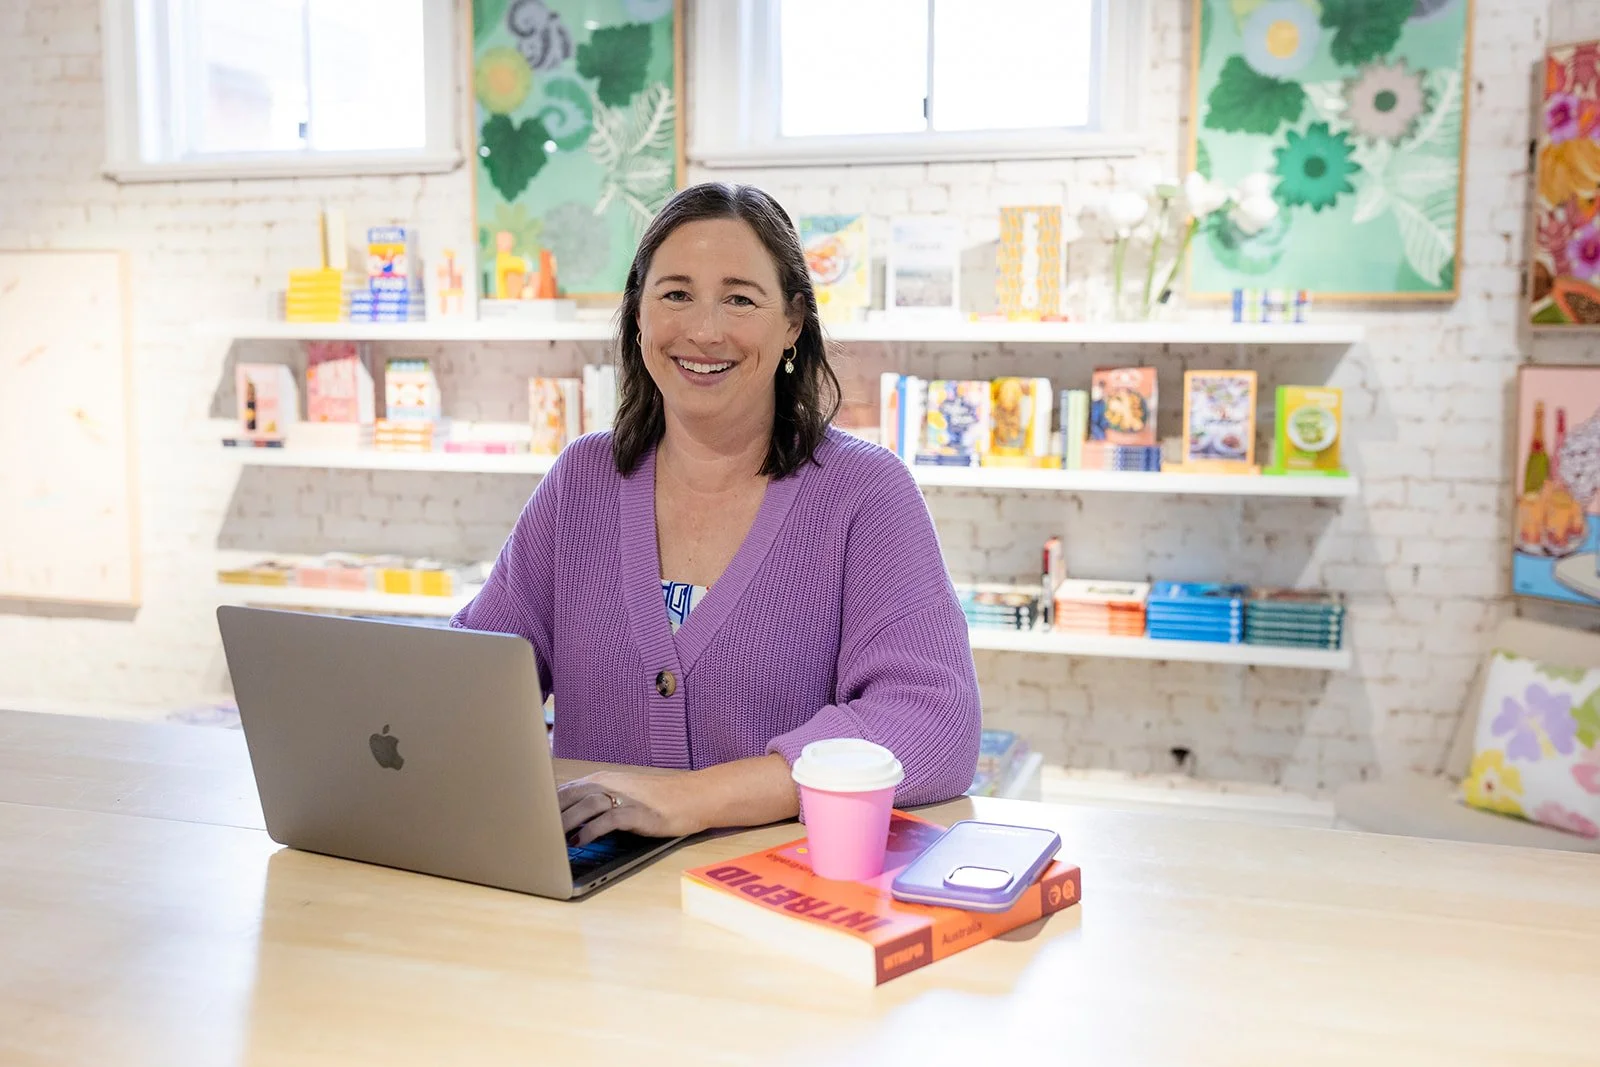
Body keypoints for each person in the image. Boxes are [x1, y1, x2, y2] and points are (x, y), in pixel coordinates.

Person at [452, 182, 980, 845]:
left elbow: (934, 722)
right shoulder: (579, 483)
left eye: (739, 297)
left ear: (792, 321)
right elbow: (477, 678)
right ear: (638, 313)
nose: (704, 330)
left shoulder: (866, 494)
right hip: (591, 912)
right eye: (675, 293)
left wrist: (696, 798)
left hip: (774, 908)